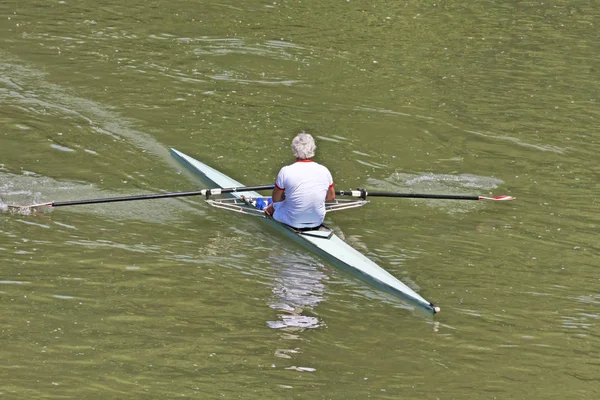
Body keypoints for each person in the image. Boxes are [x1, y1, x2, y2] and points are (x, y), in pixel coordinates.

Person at [263, 132, 335, 229]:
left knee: (271, 204)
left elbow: (276, 199)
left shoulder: (286, 171)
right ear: (313, 149)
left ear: (294, 149)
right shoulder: (325, 170)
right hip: (317, 221)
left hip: (292, 220)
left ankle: (265, 207)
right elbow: (331, 197)